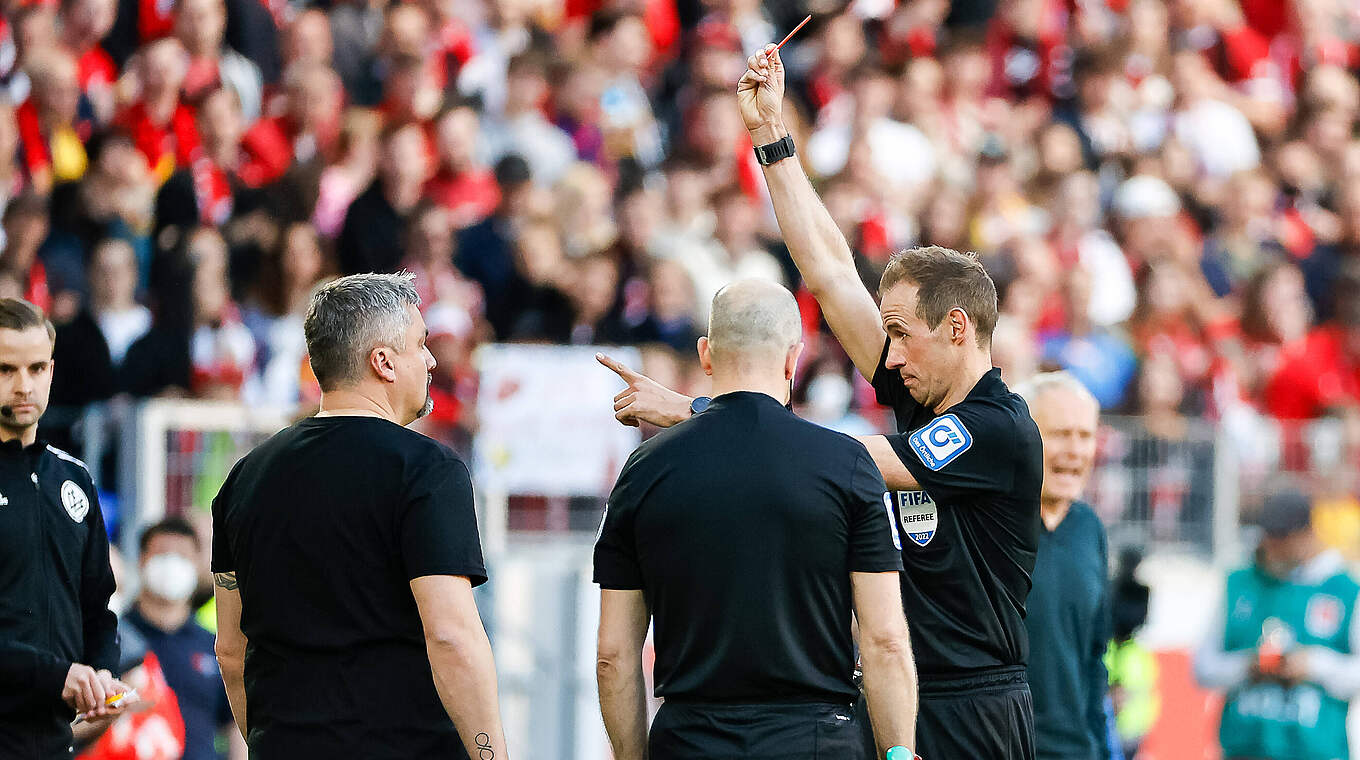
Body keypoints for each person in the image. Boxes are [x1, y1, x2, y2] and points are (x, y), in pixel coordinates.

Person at [599, 42, 1044, 760]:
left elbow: (844, 460)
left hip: (973, 706)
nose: (887, 356)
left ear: (957, 328)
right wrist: (771, 138)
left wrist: (698, 413)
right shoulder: (919, 392)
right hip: (895, 695)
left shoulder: (998, 430)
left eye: (900, 334)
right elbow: (832, 275)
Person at [594, 279, 919, 760]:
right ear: (794, 358)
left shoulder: (644, 472)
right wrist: (898, 753)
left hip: (690, 738)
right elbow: (885, 640)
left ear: (706, 355)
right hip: (815, 739)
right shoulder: (847, 466)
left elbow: (613, 656)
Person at [210, 272, 508, 758]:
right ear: (384, 362)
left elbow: (230, 651)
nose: (431, 360)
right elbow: (451, 636)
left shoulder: (243, 478)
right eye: (420, 344)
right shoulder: (427, 469)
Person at [0, 297, 132, 757]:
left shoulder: (73, 479)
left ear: (52, 372)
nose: (23, 386)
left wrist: (102, 674)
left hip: (52, 743)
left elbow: (96, 606)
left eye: (36, 369)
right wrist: (58, 676)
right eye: (6, 370)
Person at [1195, 488, 1360, 760]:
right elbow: (1203, 668)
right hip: (1244, 749)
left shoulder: (1345, 590)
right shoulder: (1240, 583)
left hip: (1315, 750)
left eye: (1279, 539)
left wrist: (1314, 665)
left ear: (1305, 535)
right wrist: (1249, 666)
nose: (1269, 547)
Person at [1014, 372, 1113, 760]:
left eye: (1085, 436)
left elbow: (1094, 657)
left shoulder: (1091, 529)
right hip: (999, 746)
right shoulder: (988, 522)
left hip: (1076, 750)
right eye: (1059, 434)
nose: (1075, 450)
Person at [125, 517, 245, 760]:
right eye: (162, 553)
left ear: (197, 565)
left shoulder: (213, 645)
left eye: (181, 555)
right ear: (141, 560)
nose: (171, 564)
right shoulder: (116, 637)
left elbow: (234, 723)